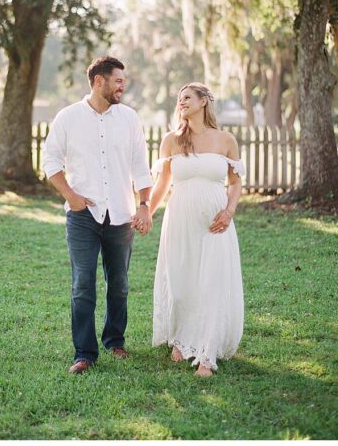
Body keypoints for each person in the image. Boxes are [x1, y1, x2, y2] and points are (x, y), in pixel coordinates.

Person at [43, 56, 154, 375]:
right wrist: (72, 197)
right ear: (98, 81)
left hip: (122, 215)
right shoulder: (68, 118)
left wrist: (144, 204)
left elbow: (139, 166)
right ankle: (84, 353)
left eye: (123, 80)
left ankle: (114, 340)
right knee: (82, 284)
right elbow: (50, 162)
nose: (123, 86)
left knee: (119, 284)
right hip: (82, 217)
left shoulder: (130, 119)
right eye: (118, 80)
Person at [145, 82, 245, 377]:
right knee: (181, 281)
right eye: (179, 99)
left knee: (211, 282)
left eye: (187, 97)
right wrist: (146, 213)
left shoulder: (225, 140)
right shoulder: (171, 141)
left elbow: (236, 182)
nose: (182, 102)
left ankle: (207, 355)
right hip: (180, 218)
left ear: (204, 102)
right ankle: (182, 337)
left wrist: (229, 211)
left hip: (215, 221)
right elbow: (163, 183)